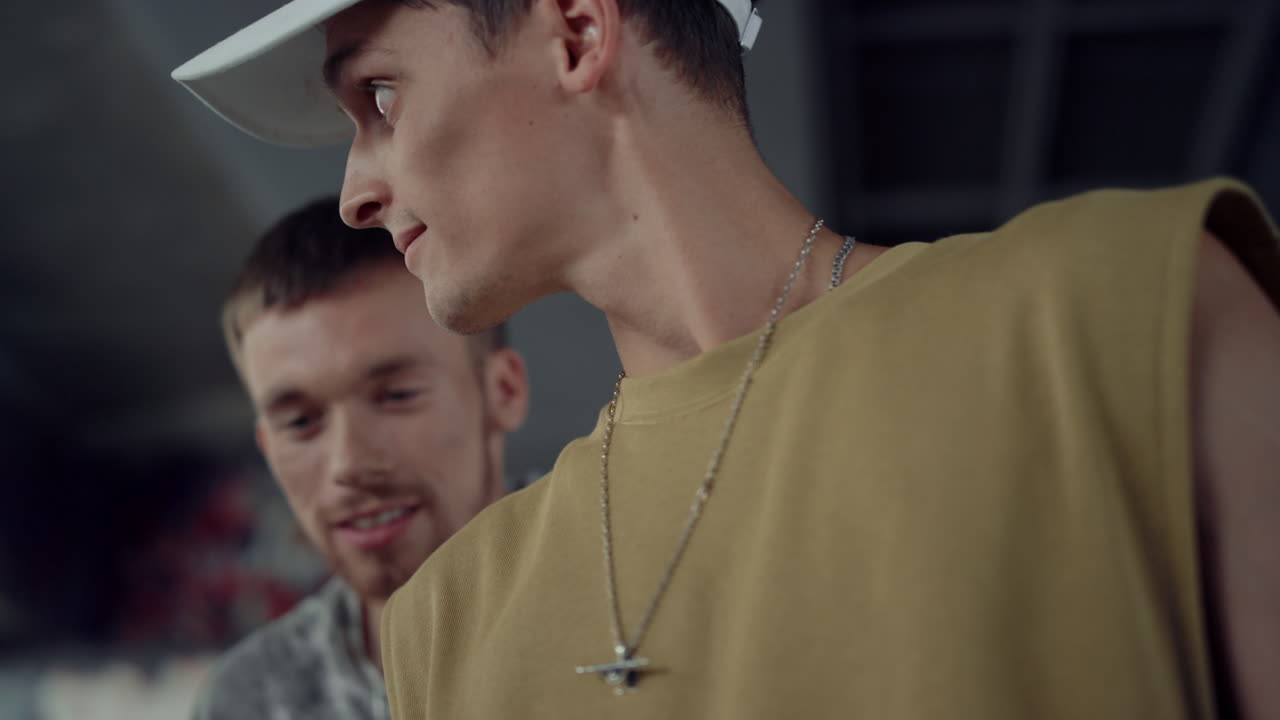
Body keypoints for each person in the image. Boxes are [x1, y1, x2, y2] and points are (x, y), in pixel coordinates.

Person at [173, 2, 1280, 717]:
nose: (357, 189)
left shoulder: (1129, 309)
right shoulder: (443, 622)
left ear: (572, 32)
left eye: (378, 96)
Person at [191, 196, 530, 719]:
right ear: (268, 446)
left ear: (502, 392)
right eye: (300, 423)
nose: (348, 463)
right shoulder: (252, 699)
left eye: (396, 396)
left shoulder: (636, 586)